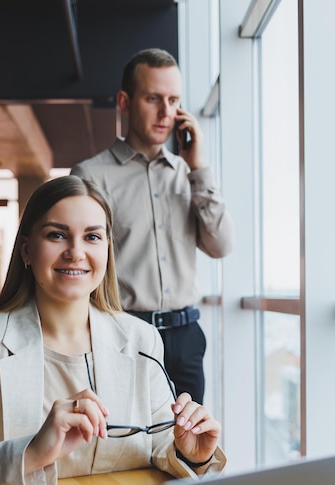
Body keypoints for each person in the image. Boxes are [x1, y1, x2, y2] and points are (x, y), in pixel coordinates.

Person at [0, 175, 225, 485]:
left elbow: (160, 442)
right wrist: (32, 453)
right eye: (57, 235)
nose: (75, 252)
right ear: (26, 250)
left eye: (92, 236)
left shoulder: (142, 339)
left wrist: (189, 453)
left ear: (107, 250)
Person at [72, 48, 234, 404]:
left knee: (190, 449)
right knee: (131, 447)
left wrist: (199, 168)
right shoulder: (90, 177)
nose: (166, 113)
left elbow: (220, 246)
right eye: (153, 99)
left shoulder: (188, 175)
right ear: (125, 102)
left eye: (174, 100)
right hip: (125, 336)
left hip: (187, 338)